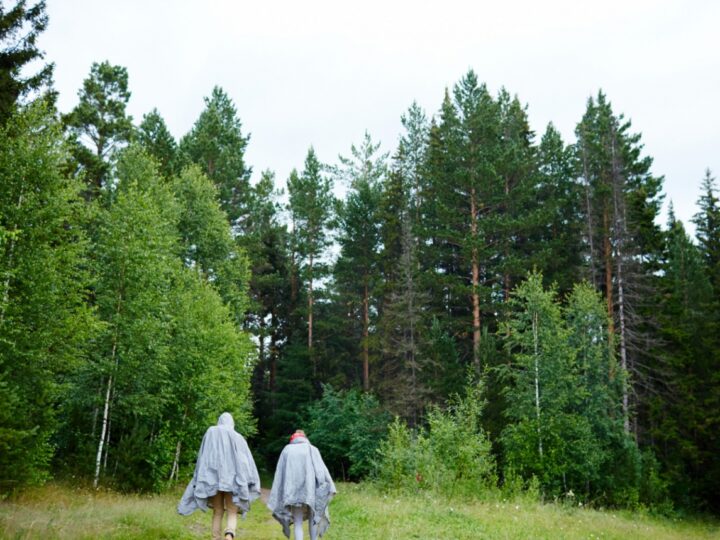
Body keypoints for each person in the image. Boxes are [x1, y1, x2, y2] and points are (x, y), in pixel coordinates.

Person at [178, 412, 261, 540]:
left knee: (218, 511)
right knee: (232, 511)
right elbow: (246, 460)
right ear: (232, 423)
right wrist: (249, 479)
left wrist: (199, 475)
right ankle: (229, 535)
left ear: (220, 421)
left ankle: (215, 538)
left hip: (212, 479)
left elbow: (203, 455)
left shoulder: (211, 432)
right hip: (233, 481)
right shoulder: (237, 437)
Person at [268, 429, 337, 540]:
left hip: (293, 493)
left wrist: (280, 491)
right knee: (314, 519)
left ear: (292, 439)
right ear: (305, 438)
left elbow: (280, 473)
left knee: (298, 522)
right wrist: (329, 485)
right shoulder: (312, 449)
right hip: (312, 492)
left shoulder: (287, 450)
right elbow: (322, 471)